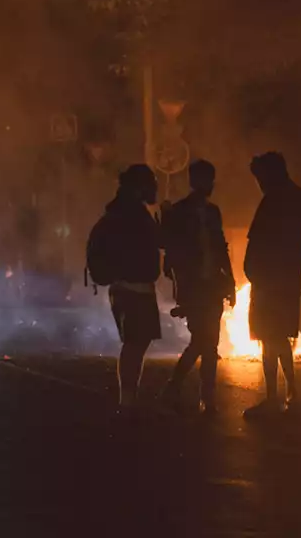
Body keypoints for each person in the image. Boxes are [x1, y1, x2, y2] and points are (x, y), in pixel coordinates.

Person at [161, 160, 234, 414]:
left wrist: (231, 281)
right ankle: (195, 391)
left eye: (211, 180)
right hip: (193, 287)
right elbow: (169, 248)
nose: (209, 185)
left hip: (213, 285)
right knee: (204, 340)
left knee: (206, 341)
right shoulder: (179, 212)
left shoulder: (213, 212)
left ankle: (196, 392)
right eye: (206, 180)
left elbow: (221, 246)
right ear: (195, 182)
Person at [89, 164, 161, 409]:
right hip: (131, 288)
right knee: (134, 343)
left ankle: (129, 399)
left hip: (135, 287)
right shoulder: (128, 214)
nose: (155, 187)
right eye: (150, 182)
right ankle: (127, 402)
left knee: (137, 344)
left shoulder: (129, 212)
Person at [243, 152, 301, 417]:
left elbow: (259, 240)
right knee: (279, 337)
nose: (259, 183)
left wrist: (254, 273)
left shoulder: (274, 200)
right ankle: (291, 391)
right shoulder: (298, 197)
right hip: (288, 280)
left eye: (260, 177)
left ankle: (273, 397)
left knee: (270, 339)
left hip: (269, 281)